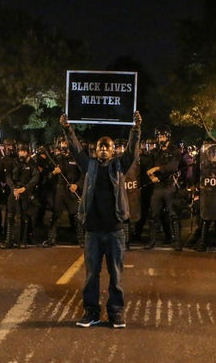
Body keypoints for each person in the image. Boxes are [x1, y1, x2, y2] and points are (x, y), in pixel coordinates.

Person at [61, 111, 141, 329]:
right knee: (91, 275)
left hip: (115, 230)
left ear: (114, 150)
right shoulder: (90, 166)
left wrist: (136, 129)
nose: (104, 149)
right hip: (93, 231)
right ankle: (91, 312)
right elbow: (75, 150)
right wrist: (68, 128)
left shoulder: (119, 166)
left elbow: (133, 151)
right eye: (100, 146)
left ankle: (115, 313)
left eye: (107, 146)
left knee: (116, 275)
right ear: (95, 150)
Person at [143, 125, 183, 251]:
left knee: (173, 215)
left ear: (168, 137)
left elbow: (173, 167)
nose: (161, 138)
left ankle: (177, 241)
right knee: (154, 214)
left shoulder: (175, 150)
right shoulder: (155, 152)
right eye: (159, 136)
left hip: (170, 185)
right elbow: (147, 168)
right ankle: (152, 241)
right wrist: (151, 177)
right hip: (158, 186)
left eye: (163, 136)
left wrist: (157, 168)